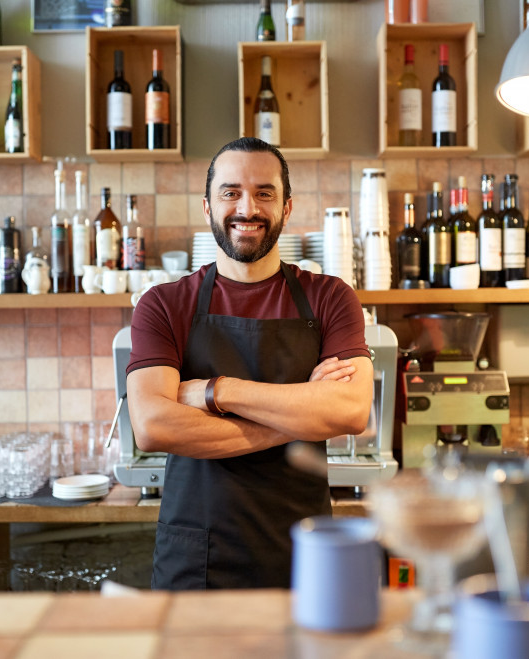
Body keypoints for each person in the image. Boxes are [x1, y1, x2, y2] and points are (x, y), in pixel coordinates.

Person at [126, 137, 373, 590]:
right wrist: (304, 416)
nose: (248, 207)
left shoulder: (330, 298)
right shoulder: (163, 305)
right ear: (207, 207)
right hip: (198, 558)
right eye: (230, 192)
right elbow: (153, 426)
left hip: (305, 553)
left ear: (287, 206)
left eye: (264, 193)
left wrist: (216, 391)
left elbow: (352, 412)